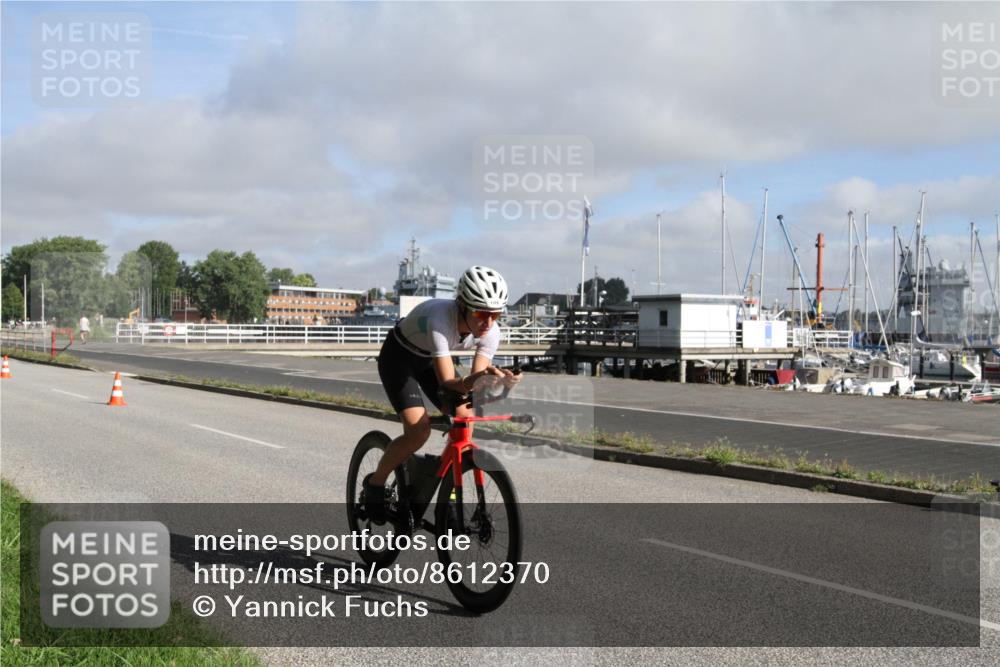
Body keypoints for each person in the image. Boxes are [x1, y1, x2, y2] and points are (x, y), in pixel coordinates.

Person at [364, 265, 520, 522]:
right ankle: (375, 485)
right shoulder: (440, 318)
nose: (488, 322)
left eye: (496, 314)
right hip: (399, 358)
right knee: (419, 430)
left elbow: (473, 385)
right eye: (481, 313)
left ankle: (449, 493)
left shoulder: (491, 331)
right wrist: (479, 379)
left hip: (427, 360)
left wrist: (502, 383)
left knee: (464, 418)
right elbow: (449, 382)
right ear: (462, 305)